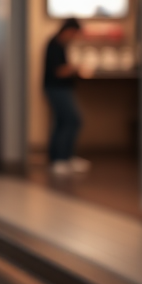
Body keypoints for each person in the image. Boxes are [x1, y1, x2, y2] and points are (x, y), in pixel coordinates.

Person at [43, 17, 89, 176]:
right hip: (56, 88)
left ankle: (63, 158)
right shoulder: (54, 44)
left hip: (61, 88)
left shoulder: (62, 45)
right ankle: (60, 159)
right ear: (69, 30)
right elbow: (58, 71)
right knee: (72, 120)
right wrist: (76, 68)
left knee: (63, 121)